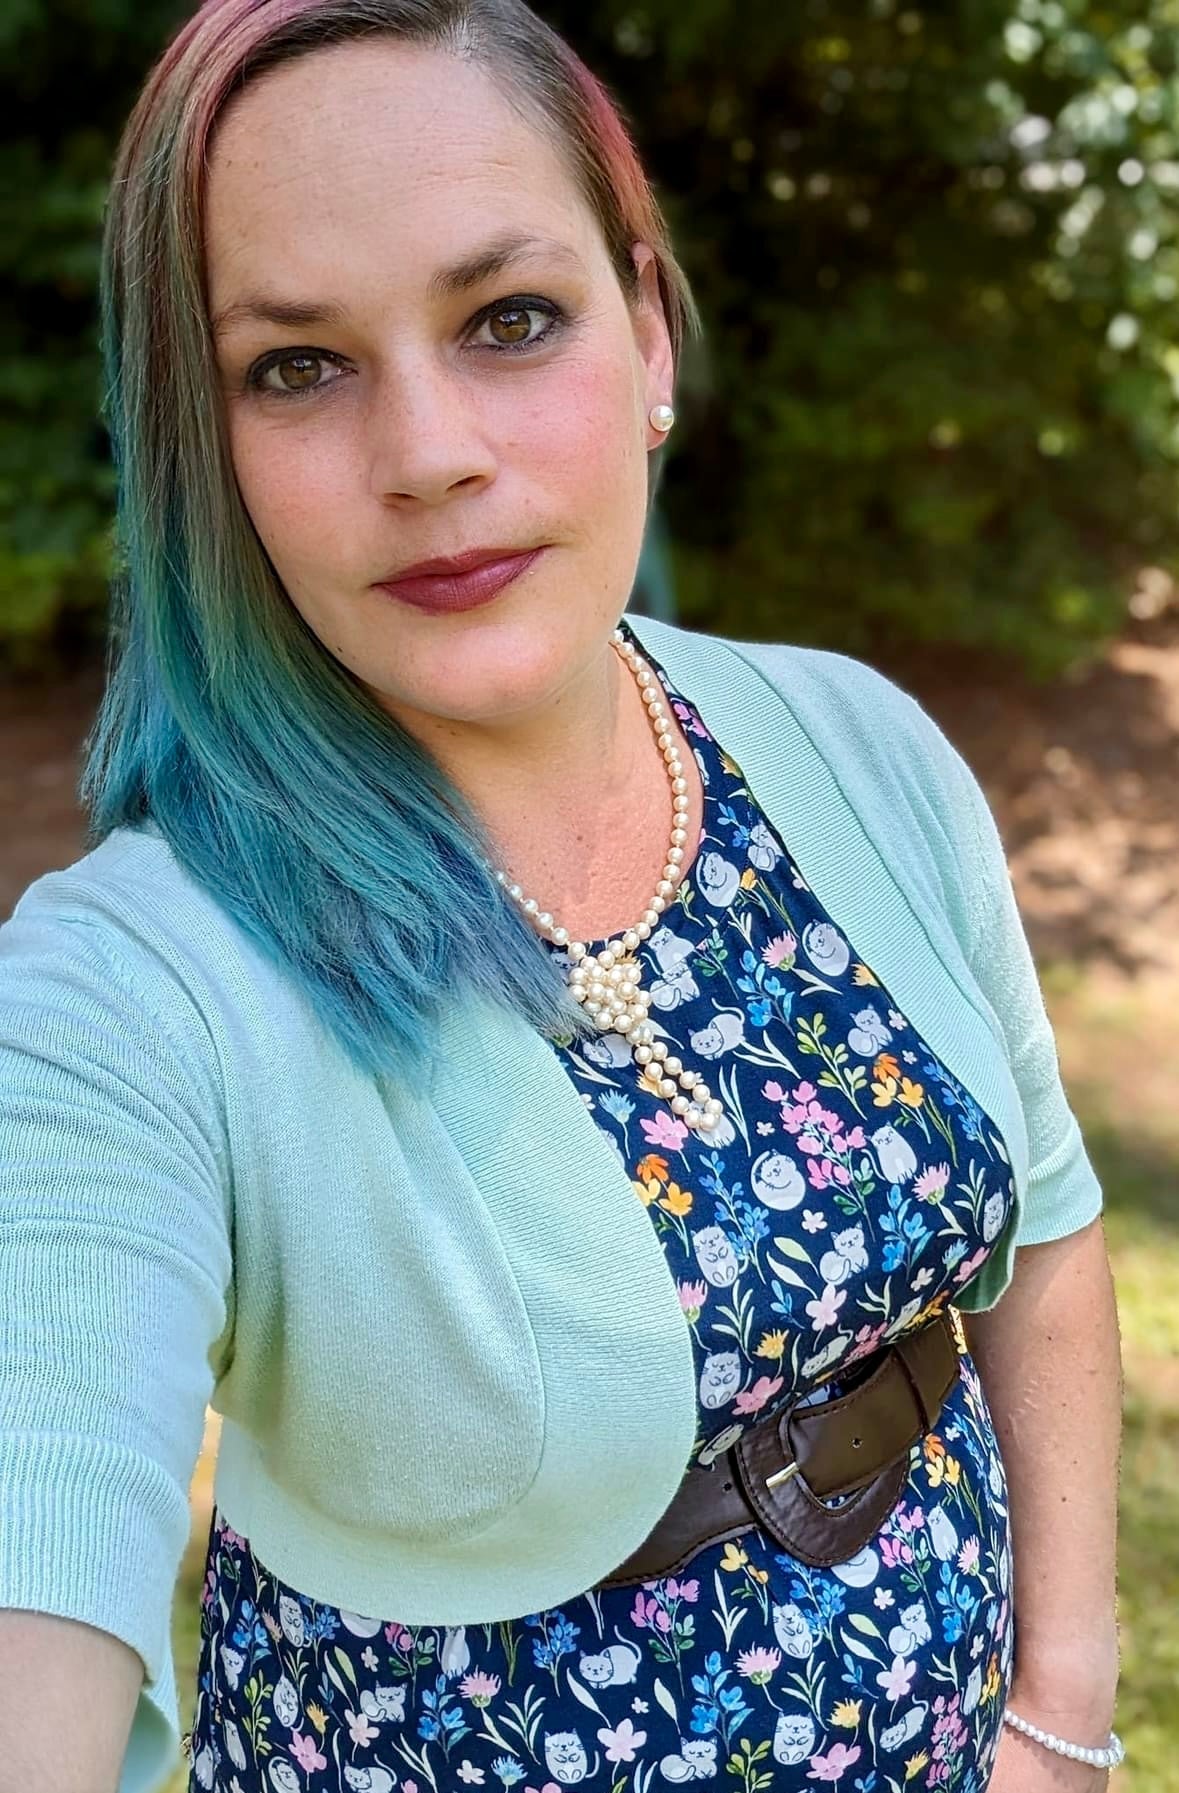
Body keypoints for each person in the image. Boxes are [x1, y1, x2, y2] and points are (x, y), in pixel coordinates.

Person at [0, 3, 1124, 1791]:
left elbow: (1043, 1240)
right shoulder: (135, 989)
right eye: (297, 365)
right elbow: (42, 1500)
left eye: (508, 318)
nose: (429, 449)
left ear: (649, 331)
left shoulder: (858, 746)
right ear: (203, 447)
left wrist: (1059, 1715)